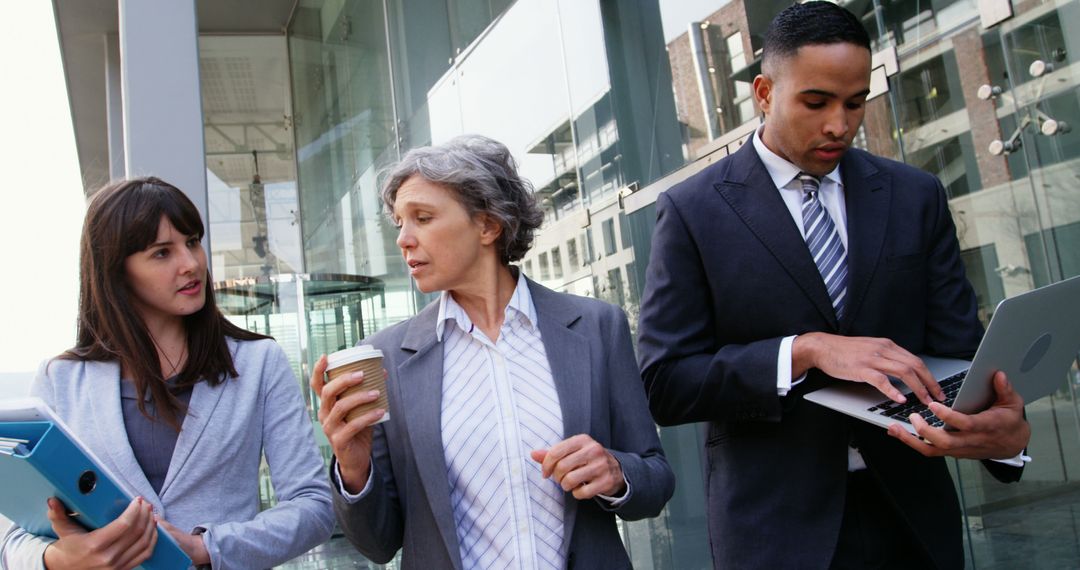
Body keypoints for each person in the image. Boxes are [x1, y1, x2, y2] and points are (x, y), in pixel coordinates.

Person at [636, 3, 1030, 569]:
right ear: (765, 93)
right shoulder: (693, 211)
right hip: (776, 534)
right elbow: (667, 383)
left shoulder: (914, 195)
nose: (839, 125)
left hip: (914, 523)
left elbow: (960, 353)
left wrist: (1005, 438)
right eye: (816, 102)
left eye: (855, 102)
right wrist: (807, 350)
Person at [311, 134, 674, 569]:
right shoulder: (386, 358)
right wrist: (353, 468)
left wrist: (616, 473)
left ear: (488, 225)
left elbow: (656, 479)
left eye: (422, 218)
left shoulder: (597, 327)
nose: (403, 240)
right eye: (399, 223)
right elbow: (378, 544)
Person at [0, 177, 334, 569]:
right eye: (162, 253)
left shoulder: (259, 362)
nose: (191, 263)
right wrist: (56, 559)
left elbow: (314, 507)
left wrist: (206, 547)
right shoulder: (61, 379)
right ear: (116, 271)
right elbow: (11, 534)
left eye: (192, 241)